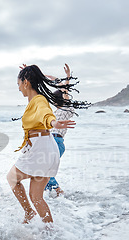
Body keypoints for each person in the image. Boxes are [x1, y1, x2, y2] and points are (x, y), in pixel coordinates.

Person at [7, 64, 90, 224]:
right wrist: (33, 72)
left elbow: (46, 114)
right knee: (36, 197)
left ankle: (29, 212)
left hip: (40, 149)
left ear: (25, 82)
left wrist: (54, 122)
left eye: (18, 84)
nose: (18, 88)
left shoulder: (39, 100)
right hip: (46, 147)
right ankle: (50, 234)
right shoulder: (36, 100)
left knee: (12, 179)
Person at [44, 64, 77, 197]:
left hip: (56, 141)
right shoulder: (56, 111)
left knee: (45, 170)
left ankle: (59, 192)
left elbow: (64, 90)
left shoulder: (67, 109)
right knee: (43, 170)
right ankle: (50, 197)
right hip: (51, 141)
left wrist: (67, 77)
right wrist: (44, 76)